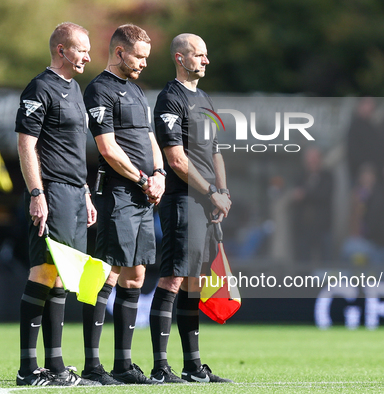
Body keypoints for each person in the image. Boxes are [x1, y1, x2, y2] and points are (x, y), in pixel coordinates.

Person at [81, 24, 165, 385]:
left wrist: (160, 172)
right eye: (139, 57)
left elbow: (149, 137)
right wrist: (144, 179)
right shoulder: (99, 89)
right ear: (119, 52)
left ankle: (123, 365)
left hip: (144, 196)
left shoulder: (136, 91)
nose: (144, 64)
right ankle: (92, 365)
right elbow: (108, 149)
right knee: (107, 273)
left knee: (137, 274)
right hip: (119, 194)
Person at [15, 22, 97, 386]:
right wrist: (37, 194)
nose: (88, 56)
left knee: (62, 275)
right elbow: (26, 144)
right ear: (62, 50)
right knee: (45, 272)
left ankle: (57, 367)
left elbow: (73, 151)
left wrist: (84, 191)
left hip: (74, 194)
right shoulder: (40, 88)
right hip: (51, 193)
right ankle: (27, 368)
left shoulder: (75, 90)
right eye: (82, 49)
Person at [150, 33, 233, 384]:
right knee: (173, 277)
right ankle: (160, 367)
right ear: (180, 59)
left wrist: (223, 192)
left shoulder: (205, 98)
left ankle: (193, 366)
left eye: (206, 54)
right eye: (199, 55)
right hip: (183, 200)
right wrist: (211, 191)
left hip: (206, 202)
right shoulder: (170, 99)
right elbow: (176, 159)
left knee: (195, 282)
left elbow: (215, 150)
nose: (206, 61)